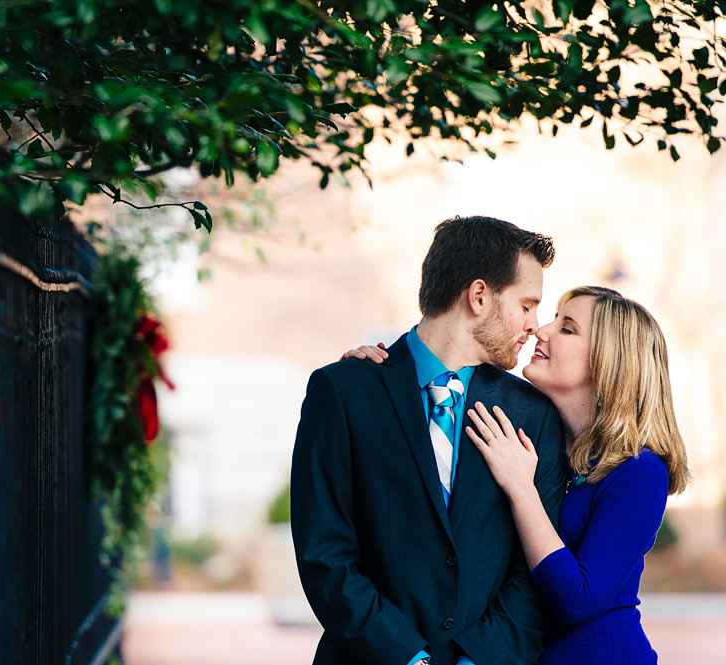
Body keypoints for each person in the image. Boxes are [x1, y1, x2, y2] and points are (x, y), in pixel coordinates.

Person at [349, 286, 690, 665]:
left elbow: (578, 599)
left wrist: (521, 489)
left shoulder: (640, 473)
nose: (540, 330)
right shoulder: (541, 446)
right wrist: (377, 373)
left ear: (609, 361)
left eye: (567, 328)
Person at [291, 215, 567, 665]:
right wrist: (408, 659)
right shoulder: (342, 393)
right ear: (479, 296)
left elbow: (532, 573)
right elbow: (325, 554)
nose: (535, 325)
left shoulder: (533, 415)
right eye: (527, 305)